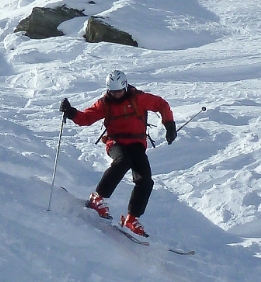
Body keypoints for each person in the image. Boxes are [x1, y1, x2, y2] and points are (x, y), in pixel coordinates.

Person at [60, 70, 176, 238]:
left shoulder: (138, 98)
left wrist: (169, 124)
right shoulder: (105, 103)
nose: (116, 94)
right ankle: (97, 199)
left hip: (137, 143)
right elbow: (86, 118)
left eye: (119, 91)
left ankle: (131, 219)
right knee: (123, 161)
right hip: (116, 142)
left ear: (125, 86)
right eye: (112, 91)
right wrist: (71, 112)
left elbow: (161, 105)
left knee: (145, 180)